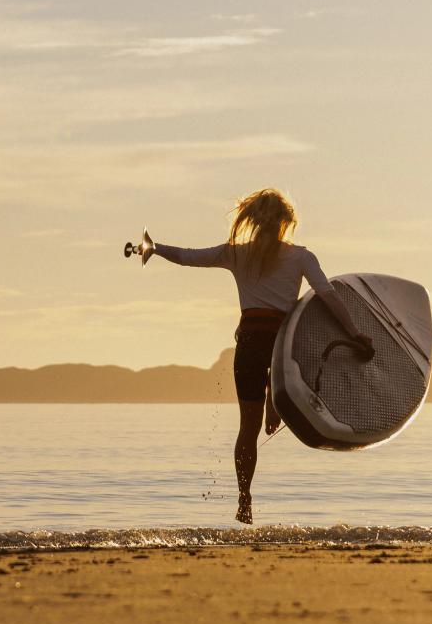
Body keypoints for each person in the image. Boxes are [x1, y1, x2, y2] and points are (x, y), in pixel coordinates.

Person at [146, 188, 371, 525]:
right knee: (268, 415)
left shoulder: (238, 254)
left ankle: (244, 498)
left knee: (247, 428)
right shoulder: (300, 257)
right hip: (283, 345)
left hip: (251, 341)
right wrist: (354, 333)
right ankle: (274, 402)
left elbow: (188, 255)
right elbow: (328, 296)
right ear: (285, 222)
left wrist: (154, 248)